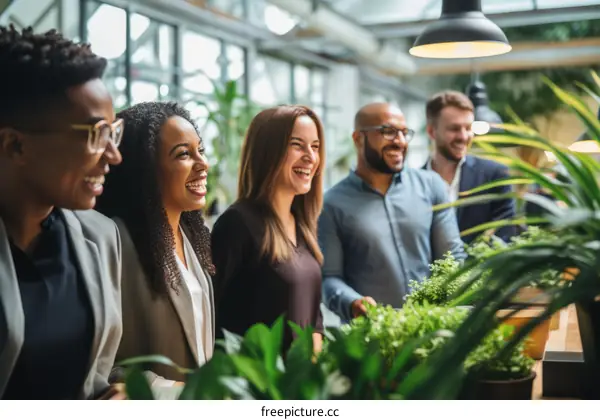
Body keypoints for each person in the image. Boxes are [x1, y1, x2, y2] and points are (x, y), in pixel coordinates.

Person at [0, 25, 123, 399]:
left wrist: (111, 394)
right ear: (16, 146)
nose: (114, 156)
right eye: (95, 134)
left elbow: (94, 372)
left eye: (113, 133)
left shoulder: (98, 237)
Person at [95, 102, 215, 387]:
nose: (203, 164)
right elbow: (98, 365)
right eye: (184, 154)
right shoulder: (115, 242)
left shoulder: (193, 237)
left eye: (201, 150)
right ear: (145, 168)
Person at [319, 102, 466, 323]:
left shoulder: (432, 186)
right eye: (387, 132)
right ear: (358, 138)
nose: (399, 141)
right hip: (371, 340)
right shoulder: (331, 204)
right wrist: (351, 302)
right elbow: (329, 278)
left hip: (433, 331)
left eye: (404, 133)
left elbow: (452, 257)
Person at [211, 105, 325, 354]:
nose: (310, 157)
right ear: (267, 152)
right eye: (297, 144)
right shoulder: (237, 224)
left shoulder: (303, 226)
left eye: (315, 147)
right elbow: (209, 319)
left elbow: (314, 321)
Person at [423, 90, 516, 244]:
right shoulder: (409, 184)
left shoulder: (495, 176)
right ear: (432, 132)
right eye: (454, 129)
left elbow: (505, 237)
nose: (464, 136)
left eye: (468, 128)